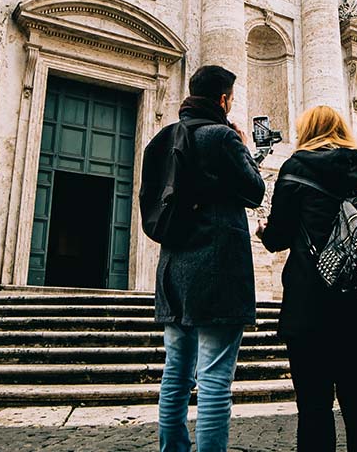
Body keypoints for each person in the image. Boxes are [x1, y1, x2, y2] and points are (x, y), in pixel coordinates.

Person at [257, 105, 357, 452]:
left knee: (314, 407)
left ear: (308, 131)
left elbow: (279, 237)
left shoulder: (296, 166)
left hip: (311, 303)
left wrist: (263, 231)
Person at [156, 65, 265, 452]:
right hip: (217, 269)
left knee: (176, 374)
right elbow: (254, 191)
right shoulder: (221, 137)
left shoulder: (166, 136)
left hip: (173, 269)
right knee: (216, 378)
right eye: (231, 98)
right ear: (222, 99)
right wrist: (245, 149)